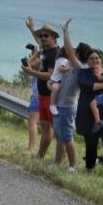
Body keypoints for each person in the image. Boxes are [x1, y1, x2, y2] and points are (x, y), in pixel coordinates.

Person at [62, 19, 103, 171]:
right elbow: (85, 85)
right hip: (89, 115)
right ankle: (90, 171)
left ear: (100, 59)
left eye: (97, 58)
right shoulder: (84, 73)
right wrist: (66, 32)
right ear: (87, 61)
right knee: (91, 143)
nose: (94, 60)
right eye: (91, 58)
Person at [23, 18, 59, 159]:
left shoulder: (54, 53)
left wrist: (32, 72)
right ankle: (40, 155)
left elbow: (50, 75)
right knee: (45, 126)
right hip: (43, 94)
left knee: (49, 127)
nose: (43, 38)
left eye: (46, 35)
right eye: (41, 35)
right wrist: (32, 29)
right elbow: (39, 47)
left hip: (51, 96)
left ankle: (40, 154)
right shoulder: (45, 52)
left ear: (54, 38)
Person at [47, 42, 79, 171]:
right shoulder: (66, 63)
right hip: (60, 105)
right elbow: (55, 80)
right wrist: (51, 84)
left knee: (67, 137)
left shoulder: (77, 69)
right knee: (60, 137)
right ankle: (57, 163)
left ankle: (72, 166)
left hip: (67, 106)